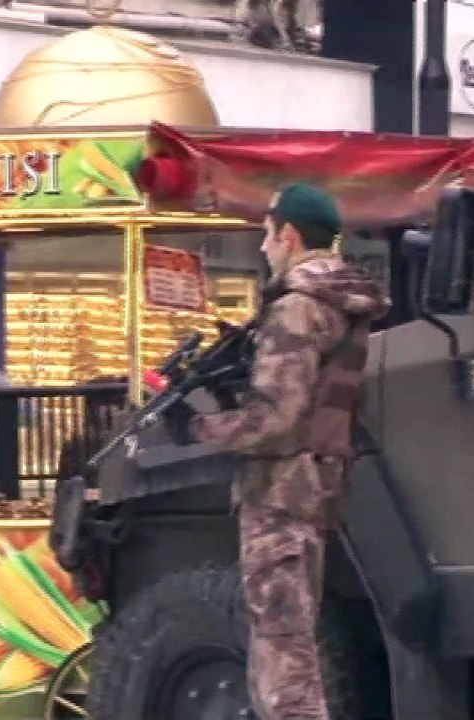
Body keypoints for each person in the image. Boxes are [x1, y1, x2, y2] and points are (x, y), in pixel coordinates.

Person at [167, 183, 390, 720]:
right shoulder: (343, 303)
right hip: (316, 486)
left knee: (282, 647)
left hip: (282, 492)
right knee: (288, 637)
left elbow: (277, 419)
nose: (264, 248)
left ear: (288, 236)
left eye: (267, 235)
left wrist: (198, 428)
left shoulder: (296, 308)